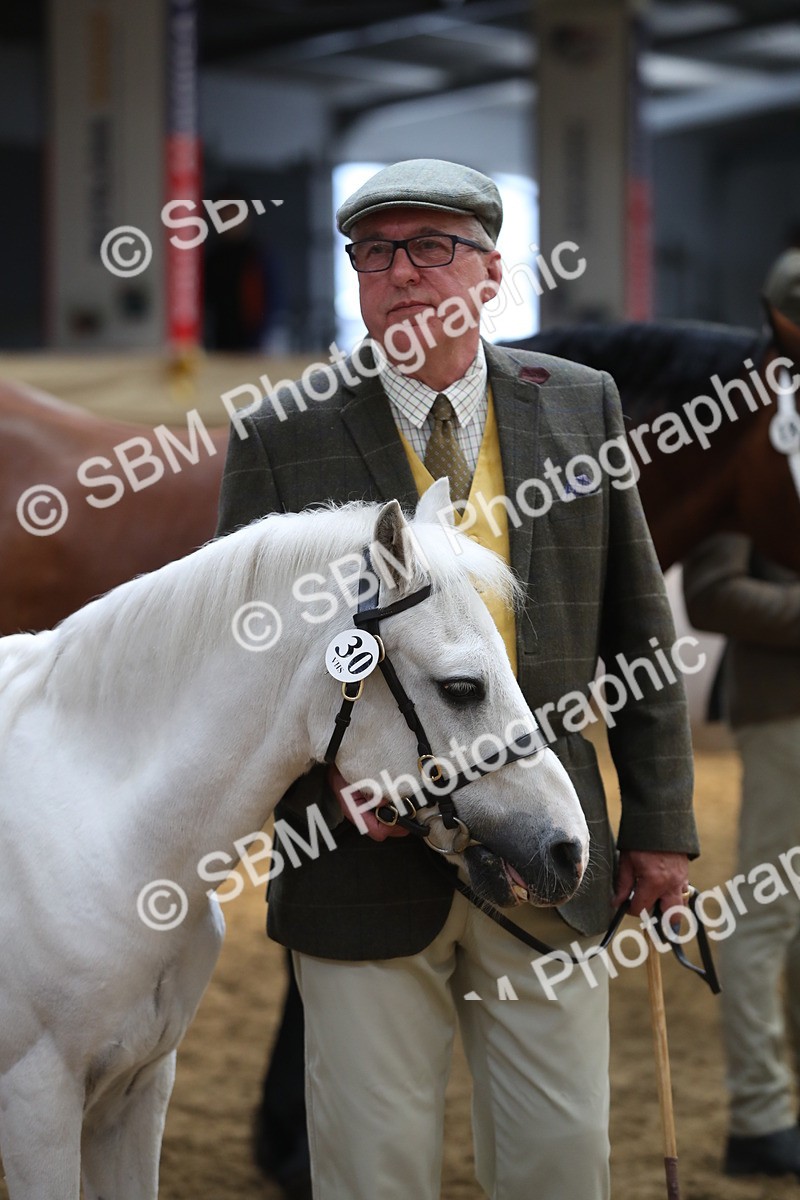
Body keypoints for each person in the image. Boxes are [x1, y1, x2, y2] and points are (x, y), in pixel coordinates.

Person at [215, 158, 698, 1200]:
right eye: (376, 253)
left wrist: (658, 825)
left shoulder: (579, 406)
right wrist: (325, 786)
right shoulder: (280, 432)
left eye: (432, 248)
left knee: (561, 1161)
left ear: (487, 274)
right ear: (355, 277)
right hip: (357, 866)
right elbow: (243, 665)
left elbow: (636, 630)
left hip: (550, 849)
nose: (403, 273)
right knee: (368, 1168)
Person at [682, 252, 800, 1180]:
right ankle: (761, 1115)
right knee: (768, 914)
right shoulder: (748, 437)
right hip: (784, 707)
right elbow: (714, 591)